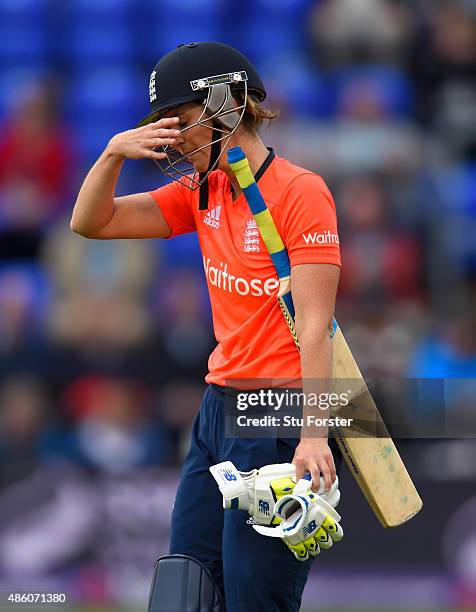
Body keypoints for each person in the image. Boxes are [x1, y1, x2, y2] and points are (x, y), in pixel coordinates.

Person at [71, 42, 342, 612]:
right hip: (217, 408)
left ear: (225, 106)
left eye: (183, 123)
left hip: (279, 410)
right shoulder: (205, 191)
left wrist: (315, 435)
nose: (174, 140)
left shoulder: (301, 191)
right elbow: (90, 221)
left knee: (254, 597)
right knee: (183, 589)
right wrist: (112, 154)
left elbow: (314, 328)